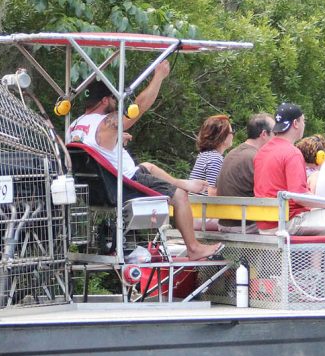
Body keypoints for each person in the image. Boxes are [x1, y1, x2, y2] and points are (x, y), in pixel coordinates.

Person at [66, 63, 221, 261]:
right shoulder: (106, 124)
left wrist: (117, 139)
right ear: (105, 100)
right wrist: (158, 77)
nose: (116, 102)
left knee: (148, 166)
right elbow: (138, 108)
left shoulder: (75, 125)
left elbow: (95, 150)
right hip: (121, 186)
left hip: (96, 190)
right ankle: (194, 247)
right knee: (180, 196)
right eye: (114, 98)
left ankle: (186, 183)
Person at [254, 102, 325, 308]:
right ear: (295, 123)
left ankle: (318, 279)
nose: (304, 125)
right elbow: (300, 196)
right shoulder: (292, 152)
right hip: (288, 222)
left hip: (267, 222)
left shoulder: (263, 150)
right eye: (303, 121)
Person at [213, 113, 274, 231]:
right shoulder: (257, 157)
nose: (276, 137)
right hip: (245, 226)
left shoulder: (232, 153)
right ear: (264, 134)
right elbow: (270, 194)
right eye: (275, 133)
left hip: (225, 224)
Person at [189, 114, 234, 196]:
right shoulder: (215, 159)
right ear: (222, 135)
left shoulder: (205, 155)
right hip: (205, 208)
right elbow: (212, 193)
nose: (233, 135)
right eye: (231, 132)